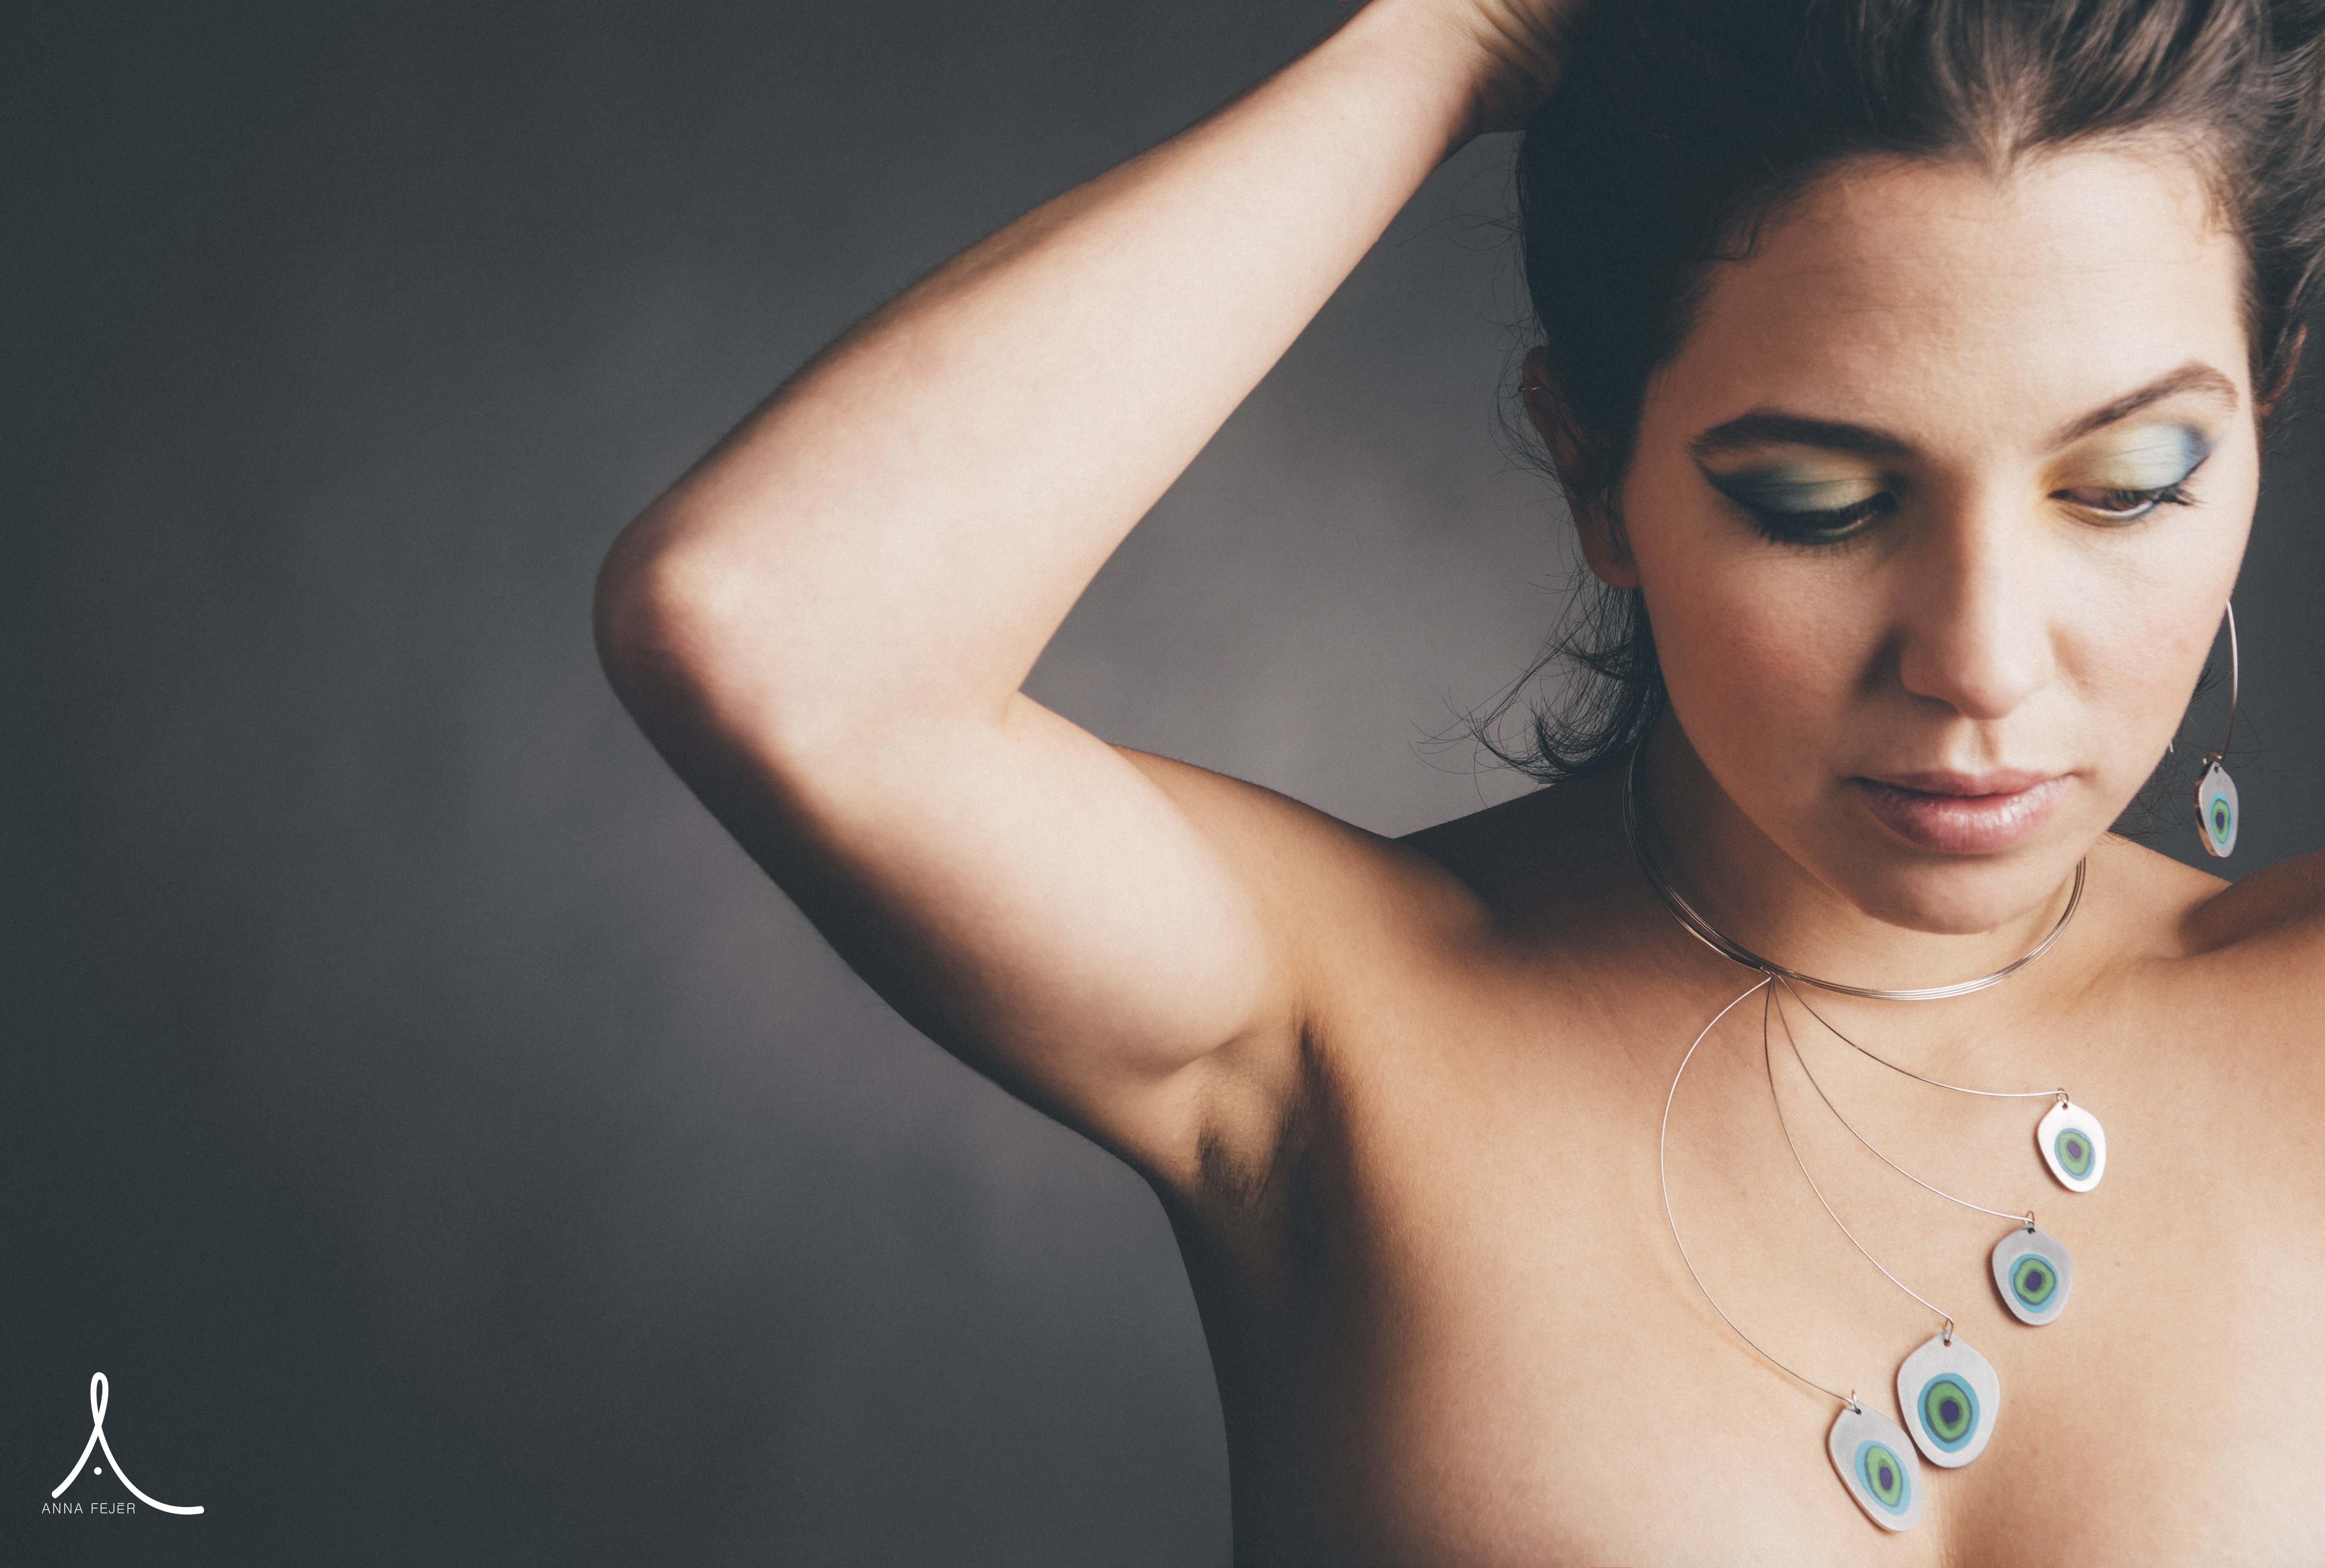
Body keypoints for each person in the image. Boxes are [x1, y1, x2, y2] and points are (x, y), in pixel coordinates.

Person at [593, 0, 2325, 1555]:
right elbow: (762, 626)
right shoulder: (1337, 1023)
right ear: (1593, 475)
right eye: (1816, 501)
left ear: (2265, 409)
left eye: (2129, 482)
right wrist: (1451, 34)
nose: (1982, 660)